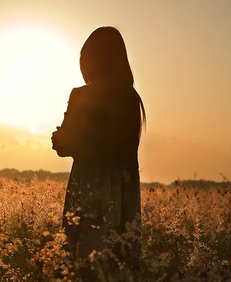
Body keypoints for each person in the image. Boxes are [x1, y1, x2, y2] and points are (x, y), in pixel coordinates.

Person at [51, 26, 146, 280]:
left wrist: (64, 142)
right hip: (122, 190)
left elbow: (74, 146)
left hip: (90, 185)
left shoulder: (85, 95)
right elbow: (121, 148)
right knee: (118, 265)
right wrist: (65, 142)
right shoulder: (130, 97)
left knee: (83, 262)